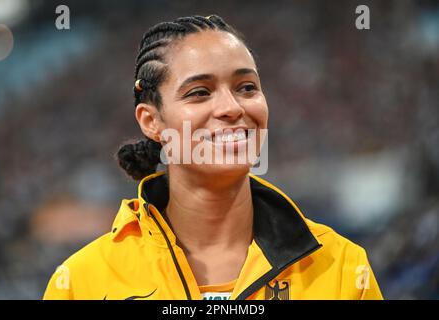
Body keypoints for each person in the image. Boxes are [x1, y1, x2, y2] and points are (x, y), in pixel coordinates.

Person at [43, 14, 383, 300]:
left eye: (246, 87)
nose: (232, 108)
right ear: (152, 121)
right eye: (199, 92)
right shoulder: (81, 283)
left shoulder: (341, 268)